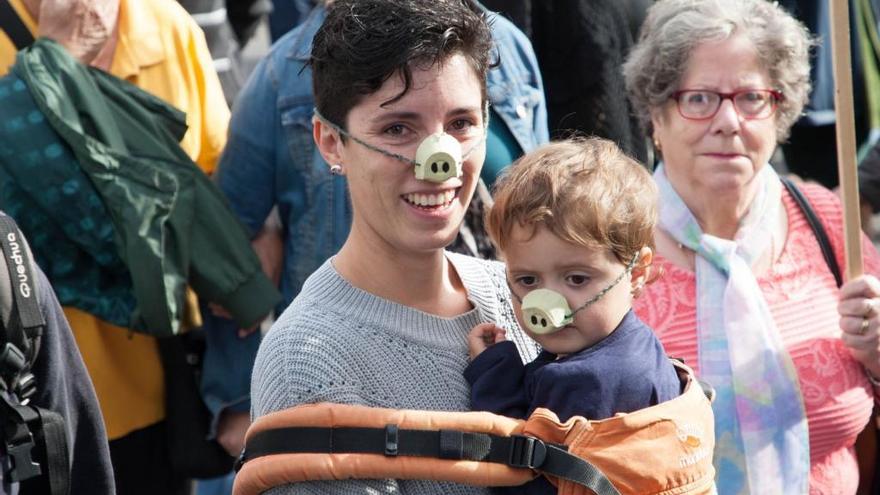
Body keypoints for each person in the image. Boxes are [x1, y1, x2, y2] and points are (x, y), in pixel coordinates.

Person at [249, 0, 539, 493]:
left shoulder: (519, 295)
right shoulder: (308, 363)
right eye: (398, 129)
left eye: (461, 124)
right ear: (330, 141)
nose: (439, 161)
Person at [622, 0, 880, 492]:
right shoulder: (609, 241)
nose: (728, 121)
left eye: (751, 97)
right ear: (656, 115)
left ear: (779, 110)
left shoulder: (827, 220)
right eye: (699, 99)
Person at [0, 0, 233, 493]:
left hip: (156, 394)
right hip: (28, 404)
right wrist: (56, 62)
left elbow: (218, 186)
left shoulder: (163, 23)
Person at [464, 138, 681, 494]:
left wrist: (494, 376)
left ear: (637, 273)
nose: (548, 303)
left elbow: (520, 477)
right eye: (528, 280)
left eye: (577, 279)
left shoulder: (587, 382)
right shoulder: (634, 344)